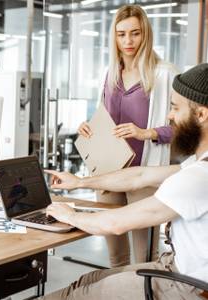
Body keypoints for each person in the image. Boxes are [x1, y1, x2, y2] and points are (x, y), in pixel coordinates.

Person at [42, 63, 208, 299]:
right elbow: (139, 175)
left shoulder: (197, 178)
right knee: (89, 279)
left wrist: (69, 215)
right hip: (178, 270)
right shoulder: (196, 164)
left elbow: (115, 224)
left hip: (186, 286)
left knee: (72, 295)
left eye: (175, 108)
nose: (170, 116)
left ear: (200, 114)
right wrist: (80, 182)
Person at [77, 4, 178, 266]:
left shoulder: (164, 74)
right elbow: (104, 118)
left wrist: (147, 132)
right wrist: (88, 127)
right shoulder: (110, 74)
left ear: (145, 34)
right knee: (115, 256)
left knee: (144, 257)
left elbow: (181, 128)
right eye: (121, 34)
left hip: (143, 176)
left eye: (135, 33)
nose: (128, 41)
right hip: (109, 173)